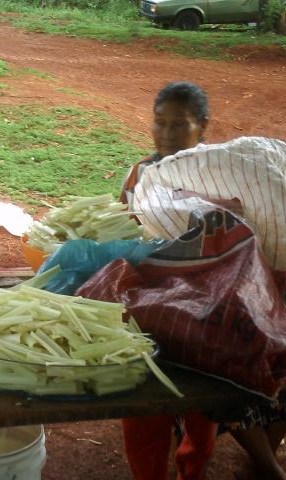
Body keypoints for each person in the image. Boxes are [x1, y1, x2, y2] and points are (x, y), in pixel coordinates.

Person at [120, 82, 286, 480]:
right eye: (159, 123)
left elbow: (258, 232)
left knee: (201, 413)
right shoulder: (141, 174)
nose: (166, 134)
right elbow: (122, 228)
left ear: (203, 126)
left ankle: (193, 469)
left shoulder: (224, 171)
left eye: (180, 125)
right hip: (155, 309)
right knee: (143, 409)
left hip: (212, 313)